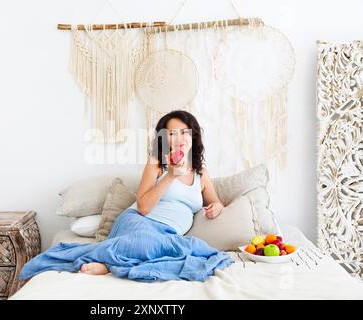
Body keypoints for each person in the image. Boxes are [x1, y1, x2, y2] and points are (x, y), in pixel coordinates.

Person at [19, 110, 234, 282]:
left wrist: (218, 207)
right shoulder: (156, 165)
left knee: (185, 248)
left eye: (185, 132)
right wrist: (170, 176)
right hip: (139, 223)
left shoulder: (201, 174)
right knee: (148, 243)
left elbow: (215, 201)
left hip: (167, 234)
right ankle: (108, 260)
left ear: (193, 136)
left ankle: (109, 264)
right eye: (172, 133)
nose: (179, 139)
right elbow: (143, 208)